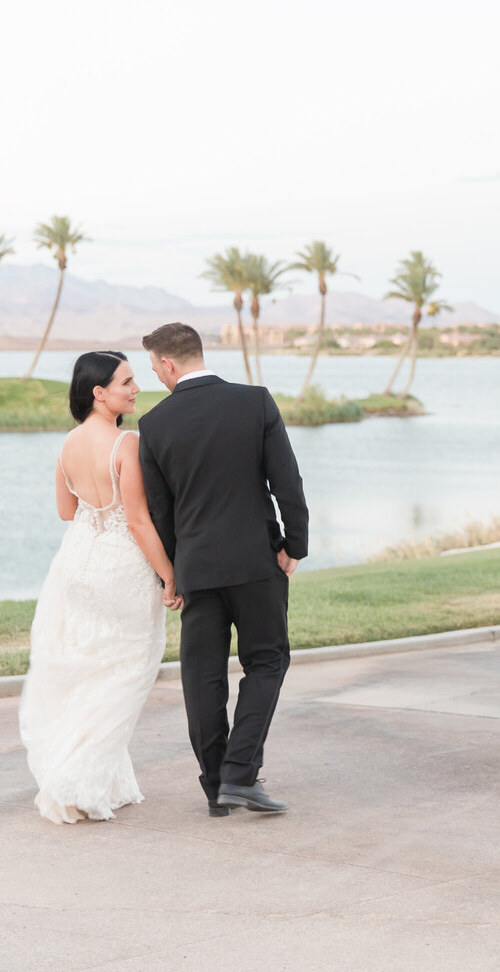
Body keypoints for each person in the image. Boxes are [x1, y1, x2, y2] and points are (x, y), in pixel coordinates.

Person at [136, 322, 309, 817]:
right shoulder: (255, 402)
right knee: (268, 661)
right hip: (257, 560)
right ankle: (239, 775)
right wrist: (294, 544)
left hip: (196, 568)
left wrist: (170, 573)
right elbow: (287, 484)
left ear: (168, 363)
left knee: (202, 674)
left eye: (154, 368)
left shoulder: (154, 424)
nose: (156, 378)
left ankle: (218, 785)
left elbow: (160, 512)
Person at [19, 351, 181, 825]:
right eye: (127, 382)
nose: (135, 389)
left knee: (91, 669)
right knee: (127, 669)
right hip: (120, 570)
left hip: (75, 564)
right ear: (99, 392)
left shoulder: (68, 442)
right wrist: (170, 574)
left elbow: (67, 512)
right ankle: (77, 777)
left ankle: (103, 777)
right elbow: (137, 521)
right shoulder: (125, 444)